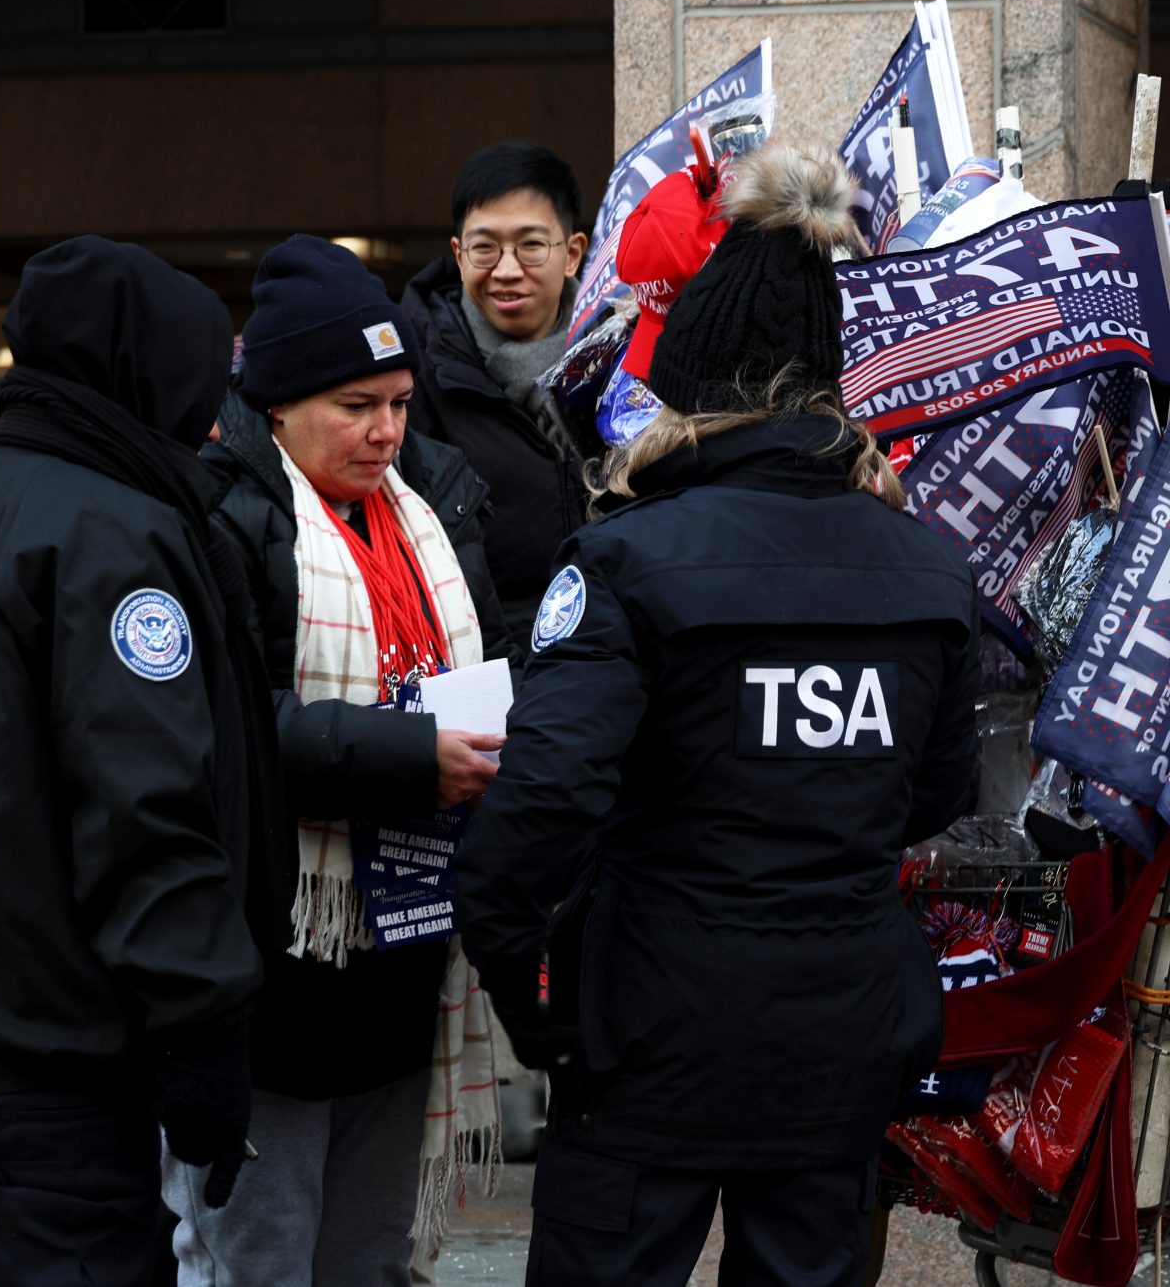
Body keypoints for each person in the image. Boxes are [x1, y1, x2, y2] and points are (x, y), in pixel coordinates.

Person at [456, 142, 981, 1287]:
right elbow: (938, 798)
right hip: (842, 1032)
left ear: (686, 385)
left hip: (652, 1032)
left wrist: (517, 981)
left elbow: (540, 801)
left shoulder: (627, 558)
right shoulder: (928, 571)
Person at [0, 236, 273, 1286]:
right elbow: (143, 808)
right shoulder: (115, 539)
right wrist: (205, 1026)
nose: (214, 415)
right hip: (52, 1077)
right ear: (140, 372)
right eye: (199, 377)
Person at [165, 235, 515, 1284]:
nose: (386, 432)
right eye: (356, 405)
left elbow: (489, 668)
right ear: (276, 404)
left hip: (404, 958)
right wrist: (409, 754)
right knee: (254, 1261)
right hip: (273, 969)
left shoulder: (437, 503)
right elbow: (218, 724)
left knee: (370, 1259)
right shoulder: (216, 513)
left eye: (400, 402)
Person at [402, 141, 592, 645]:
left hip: (615, 642)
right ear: (459, 254)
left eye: (530, 245)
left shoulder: (620, 357)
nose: (507, 270)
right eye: (485, 248)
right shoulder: (411, 372)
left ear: (571, 253)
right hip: (482, 657)